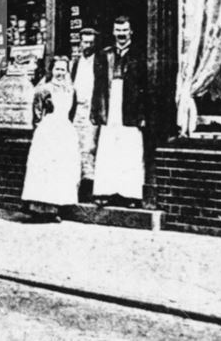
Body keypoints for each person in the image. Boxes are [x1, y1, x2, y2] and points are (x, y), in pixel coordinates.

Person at [92, 16, 147, 207]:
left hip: (130, 107)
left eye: (125, 30)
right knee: (107, 148)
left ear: (131, 31)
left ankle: (130, 194)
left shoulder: (140, 54)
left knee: (130, 149)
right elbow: (98, 85)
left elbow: (145, 87)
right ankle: (104, 191)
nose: (121, 34)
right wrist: (97, 110)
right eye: (118, 30)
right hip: (109, 104)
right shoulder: (104, 54)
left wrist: (142, 114)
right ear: (113, 32)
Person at [20, 56, 81, 221]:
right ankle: (40, 209)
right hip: (48, 131)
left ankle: (56, 209)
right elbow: (37, 113)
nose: (60, 73)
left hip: (64, 130)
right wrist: (42, 130)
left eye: (63, 69)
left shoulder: (71, 90)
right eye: (57, 69)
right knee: (44, 167)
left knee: (60, 168)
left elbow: (72, 112)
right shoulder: (44, 89)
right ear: (52, 70)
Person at [70, 27, 106, 202]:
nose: (87, 46)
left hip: (92, 110)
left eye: (91, 42)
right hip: (77, 110)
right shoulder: (76, 63)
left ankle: (90, 188)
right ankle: (75, 187)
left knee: (89, 148)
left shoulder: (99, 61)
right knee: (75, 147)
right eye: (85, 42)